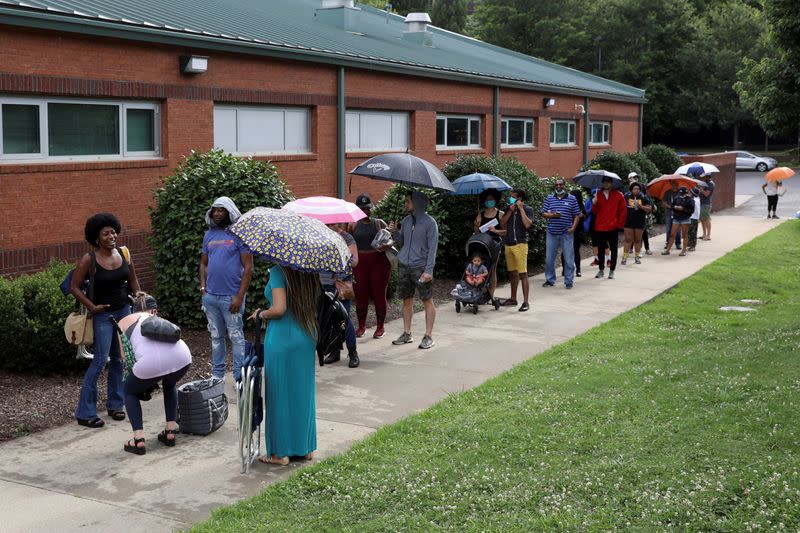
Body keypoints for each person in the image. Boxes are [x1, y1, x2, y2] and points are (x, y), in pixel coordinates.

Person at [70, 213, 143, 429]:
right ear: (96, 238)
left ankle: (115, 404)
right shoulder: (88, 259)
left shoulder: (124, 253)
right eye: (106, 233)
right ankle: (85, 412)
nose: (112, 236)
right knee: (100, 360)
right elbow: (74, 287)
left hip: (124, 312)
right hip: (102, 315)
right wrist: (92, 307)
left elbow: (133, 280)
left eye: (113, 231)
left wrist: (138, 294)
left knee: (119, 360)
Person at [249, 265, 319, 465]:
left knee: (279, 393)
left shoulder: (279, 271)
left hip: (283, 338)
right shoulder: (309, 272)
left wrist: (261, 314)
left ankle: (280, 453)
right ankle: (304, 448)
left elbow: (279, 309)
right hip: (306, 335)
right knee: (303, 392)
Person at [117, 295, 192, 455]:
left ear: (134, 308)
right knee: (169, 383)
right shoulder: (156, 318)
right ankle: (170, 432)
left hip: (150, 363)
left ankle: (138, 440)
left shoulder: (123, 321)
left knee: (129, 391)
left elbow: (124, 358)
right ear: (152, 310)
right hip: (183, 357)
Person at [199, 197, 253, 381]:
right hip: (211, 297)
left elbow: (248, 268)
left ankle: (239, 375)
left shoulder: (239, 235)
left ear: (229, 212)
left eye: (221, 210)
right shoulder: (209, 235)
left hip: (231, 297)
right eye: (215, 210)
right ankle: (217, 375)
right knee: (215, 337)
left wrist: (239, 297)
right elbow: (203, 263)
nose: (217, 213)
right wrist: (203, 287)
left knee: (236, 337)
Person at [389, 191, 439, 349]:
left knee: (427, 300)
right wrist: (395, 231)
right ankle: (407, 333)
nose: (405, 204)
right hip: (404, 265)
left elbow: (433, 249)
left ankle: (428, 336)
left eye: (408, 201)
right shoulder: (405, 221)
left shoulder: (430, 223)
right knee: (406, 300)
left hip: (421, 268)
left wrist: (429, 271)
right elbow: (402, 242)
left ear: (417, 202)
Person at [349, 194, 392, 339]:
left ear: (371, 208)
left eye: (367, 208)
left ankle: (380, 327)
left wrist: (388, 243)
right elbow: (347, 243)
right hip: (360, 263)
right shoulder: (352, 225)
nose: (365, 212)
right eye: (362, 209)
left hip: (378, 262)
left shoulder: (379, 223)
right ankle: (361, 326)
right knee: (360, 295)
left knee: (379, 295)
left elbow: (391, 241)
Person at [319, 223, 359, 368]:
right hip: (323, 284)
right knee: (328, 320)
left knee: (344, 319)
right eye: (327, 223)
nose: (329, 225)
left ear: (337, 223)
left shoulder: (347, 238)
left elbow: (354, 262)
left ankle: (353, 352)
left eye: (331, 223)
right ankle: (335, 351)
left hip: (341, 285)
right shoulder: (319, 236)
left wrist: (339, 251)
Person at [542, 178, 581, 289]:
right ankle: (550, 280)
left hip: (566, 233)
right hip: (552, 233)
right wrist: (554, 215)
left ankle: (568, 281)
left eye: (561, 184)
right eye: (557, 185)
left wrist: (573, 228)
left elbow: (577, 214)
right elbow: (543, 213)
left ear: (564, 185)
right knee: (549, 259)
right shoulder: (549, 198)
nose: (558, 186)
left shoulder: (572, 199)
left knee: (569, 259)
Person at [500, 189, 535, 311]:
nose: (510, 199)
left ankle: (526, 302)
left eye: (513, 197)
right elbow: (502, 223)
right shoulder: (508, 208)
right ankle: (513, 298)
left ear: (520, 199)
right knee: (512, 273)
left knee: (523, 273)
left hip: (520, 244)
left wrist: (520, 209)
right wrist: (510, 211)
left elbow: (528, 225)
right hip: (508, 244)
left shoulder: (528, 209)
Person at [591, 177, 627, 279]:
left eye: (608, 182)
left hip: (613, 227)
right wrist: (594, 203)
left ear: (611, 183)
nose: (606, 184)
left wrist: (619, 224)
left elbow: (623, 211)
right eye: (604, 182)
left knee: (614, 249)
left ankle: (612, 270)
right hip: (600, 227)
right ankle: (601, 270)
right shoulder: (597, 194)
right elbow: (595, 212)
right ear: (602, 183)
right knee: (601, 249)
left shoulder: (618, 195)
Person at [473, 189, 505, 297]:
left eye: (491, 199)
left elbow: (506, 231)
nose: (489, 201)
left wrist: (496, 231)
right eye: (487, 199)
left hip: (494, 244)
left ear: (495, 200)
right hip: (482, 243)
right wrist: (477, 224)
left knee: (492, 268)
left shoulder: (500, 214)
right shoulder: (480, 214)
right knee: (479, 266)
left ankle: (491, 293)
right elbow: (476, 232)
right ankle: (479, 289)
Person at [621, 183, 653, 265]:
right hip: (628, 221)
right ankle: (624, 258)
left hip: (639, 221)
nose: (636, 190)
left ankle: (637, 257)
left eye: (638, 189)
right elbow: (620, 206)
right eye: (635, 188)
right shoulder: (626, 196)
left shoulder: (643, 197)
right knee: (628, 239)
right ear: (631, 189)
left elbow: (649, 209)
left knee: (637, 240)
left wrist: (640, 206)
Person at [561, 187, 587, 277]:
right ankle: (564, 269)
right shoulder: (567, 204)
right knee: (564, 251)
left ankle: (578, 269)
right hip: (566, 231)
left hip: (577, 232)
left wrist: (579, 215)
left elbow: (584, 215)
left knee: (576, 251)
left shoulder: (581, 206)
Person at [662, 186, 695, 256]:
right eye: (680, 194)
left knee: (684, 235)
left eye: (682, 194)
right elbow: (672, 206)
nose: (681, 195)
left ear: (686, 193)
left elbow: (691, 211)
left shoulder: (690, 200)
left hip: (685, 219)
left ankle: (683, 251)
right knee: (672, 235)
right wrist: (675, 207)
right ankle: (667, 250)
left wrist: (683, 209)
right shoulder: (677, 198)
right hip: (676, 218)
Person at [628, 173, 653, 255]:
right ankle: (631, 248)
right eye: (634, 177)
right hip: (631, 215)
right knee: (631, 233)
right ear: (629, 178)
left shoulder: (641, 186)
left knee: (644, 232)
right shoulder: (627, 189)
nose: (636, 179)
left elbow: (646, 197)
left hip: (641, 214)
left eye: (636, 177)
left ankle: (647, 248)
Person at [662, 180, 682, 249]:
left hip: (678, 214)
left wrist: (678, 207)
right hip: (669, 213)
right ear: (671, 185)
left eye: (676, 184)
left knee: (678, 229)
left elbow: (683, 202)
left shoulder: (680, 193)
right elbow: (663, 203)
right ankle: (668, 242)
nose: (674, 185)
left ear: (677, 184)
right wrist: (670, 207)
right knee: (668, 229)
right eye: (673, 184)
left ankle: (678, 243)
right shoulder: (667, 193)